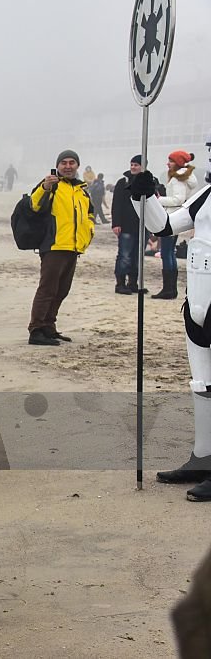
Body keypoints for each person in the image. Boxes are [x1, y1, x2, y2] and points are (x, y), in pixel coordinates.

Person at [130, 135, 211, 501]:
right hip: (197, 306)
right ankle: (203, 457)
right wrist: (142, 196)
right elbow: (162, 226)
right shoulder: (206, 195)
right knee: (202, 386)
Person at [26, 150, 95, 345]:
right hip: (54, 245)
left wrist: (88, 232)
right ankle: (36, 328)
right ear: (58, 165)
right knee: (47, 288)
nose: (67, 166)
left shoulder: (81, 190)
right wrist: (45, 187)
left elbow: (90, 214)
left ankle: (49, 325)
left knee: (62, 289)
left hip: (73, 247)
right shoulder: (51, 185)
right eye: (63, 162)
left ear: (77, 166)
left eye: (72, 162)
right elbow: (34, 205)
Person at [152, 150, 200, 299]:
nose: (168, 163)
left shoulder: (178, 178)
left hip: (172, 217)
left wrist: (159, 199)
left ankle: (169, 289)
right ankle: (170, 288)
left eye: (171, 161)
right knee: (169, 253)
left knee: (167, 254)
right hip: (177, 218)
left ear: (178, 163)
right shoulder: (185, 177)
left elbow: (178, 199)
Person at [111, 156, 146, 294]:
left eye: (136, 165)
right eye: (132, 164)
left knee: (137, 257)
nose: (133, 167)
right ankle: (120, 284)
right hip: (125, 225)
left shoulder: (149, 182)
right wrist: (116, 223)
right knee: (124, 255)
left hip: (142, 226)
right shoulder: (123, 182)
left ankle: (133, 283)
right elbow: (117, 204)